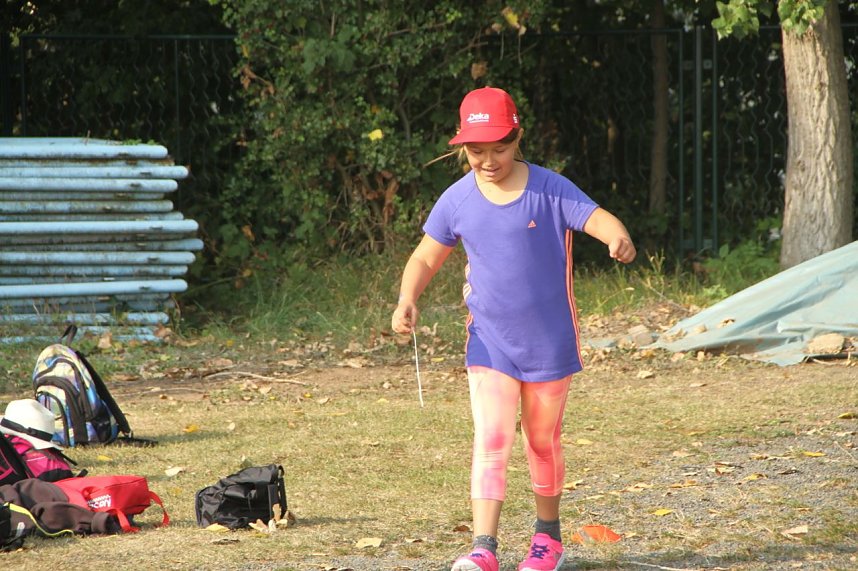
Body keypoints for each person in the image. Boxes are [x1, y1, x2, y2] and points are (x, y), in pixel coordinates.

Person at [390, 87, 636, 571]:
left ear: (516, 137)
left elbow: (597, 217)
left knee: (542, 440)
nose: (487, 160)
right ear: (462, 148)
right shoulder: (457, 199)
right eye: (476, 150)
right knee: (492, 437)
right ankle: (484, 547)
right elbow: (425, 255)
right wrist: (407, 297)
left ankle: (548, 540)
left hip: (549, 343)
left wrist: (618, 236)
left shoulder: (550, 188)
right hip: (491, 343)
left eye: (498, 148)